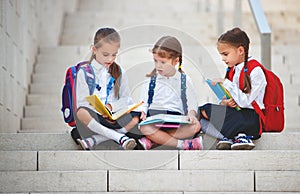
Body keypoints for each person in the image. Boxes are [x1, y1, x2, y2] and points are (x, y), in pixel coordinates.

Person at [199, 27, 267, 150]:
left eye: (225, 54)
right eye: (221, 55)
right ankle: (231, 137)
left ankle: (238, 136)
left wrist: (226, 82)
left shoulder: (256, 71)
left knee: (207, 111)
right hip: (237, 115)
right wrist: (225, 103)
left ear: (240, 50)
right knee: (202, 113)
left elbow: (245, 102)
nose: (223, 59)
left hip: (251, 119)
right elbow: (232, 99)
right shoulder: (233, 70)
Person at [75, 27, 140, 150]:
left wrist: (111, 107)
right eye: (105, 54)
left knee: (137, 116)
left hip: (114, 118)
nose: (110, 59)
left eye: (114, 55)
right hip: (94, 120)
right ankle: (120, 138)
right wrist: (100, 111)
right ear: (94, 50)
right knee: (81, 112)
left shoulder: (119, 72)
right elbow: (82, 103)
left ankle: (95, 140)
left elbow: (126, 99)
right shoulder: (84, 72)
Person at [138, 36, 202, 150]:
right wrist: (142, 111)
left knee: (196, 126)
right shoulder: (150, 79)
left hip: (176, 121)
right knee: (144, 128)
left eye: (163, 62)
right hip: (155, 120)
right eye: (155, 61)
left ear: (176, 61)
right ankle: (183, 145)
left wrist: (191, 114)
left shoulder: (185, 80)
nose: (158, 65)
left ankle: (154, 140)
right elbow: (143, 102)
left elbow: (192, 104)